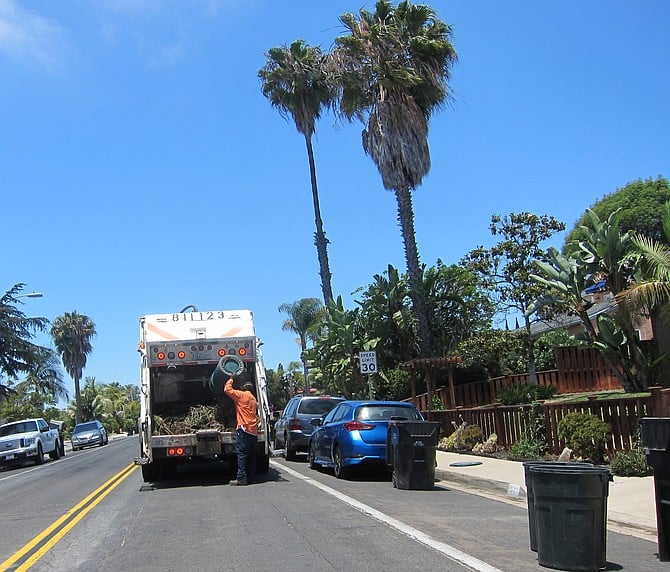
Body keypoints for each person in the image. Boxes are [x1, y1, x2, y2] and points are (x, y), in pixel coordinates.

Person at [224, 377, 258, 486]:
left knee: (242, 454)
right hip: (253, 430)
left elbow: (227, 390)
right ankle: (251, 477)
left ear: (244, 389)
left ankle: (241, 478)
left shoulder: (242, 395)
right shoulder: (253, 399)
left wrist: (231, 378)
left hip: (244, 429)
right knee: (251, 456)